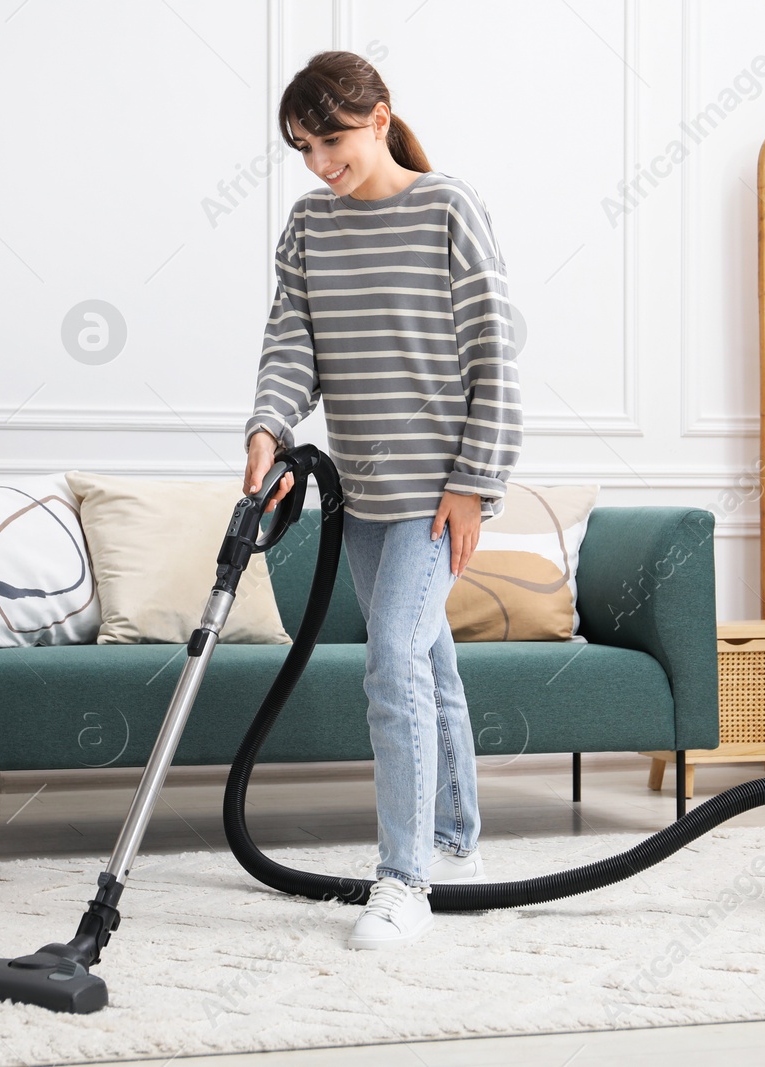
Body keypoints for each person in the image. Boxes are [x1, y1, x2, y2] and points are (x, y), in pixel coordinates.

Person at [242, 51, 523, 950]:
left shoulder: (448, 206)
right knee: (426, 660)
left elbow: (496, 354)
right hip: (359, 494)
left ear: (377, 118)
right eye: (303, 147)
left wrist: (476, 483)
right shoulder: (308, 228)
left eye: (331, 139)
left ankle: (403, 879)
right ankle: (454, 838)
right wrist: (267, 429)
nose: (321, 162)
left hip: (439, 495)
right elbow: (292, 345)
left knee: (391, 667)